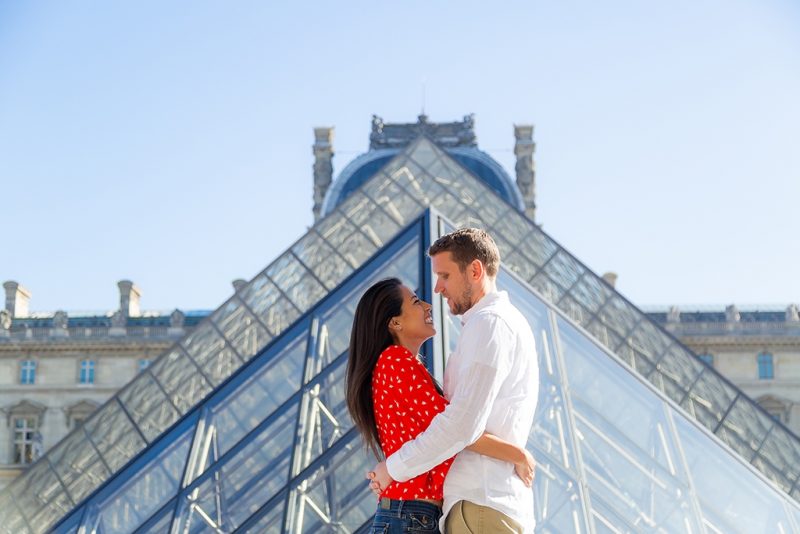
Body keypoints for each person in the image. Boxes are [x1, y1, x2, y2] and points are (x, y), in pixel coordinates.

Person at [368, 228, 539, 533]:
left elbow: (460, 424)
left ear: (475, 270)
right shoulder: (491, 324)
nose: (438, 289)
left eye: (445, 276)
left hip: (480, 501)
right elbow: (456, 422)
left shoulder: (490, 325)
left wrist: (391, 469)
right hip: (477, 503)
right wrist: (517, 453)